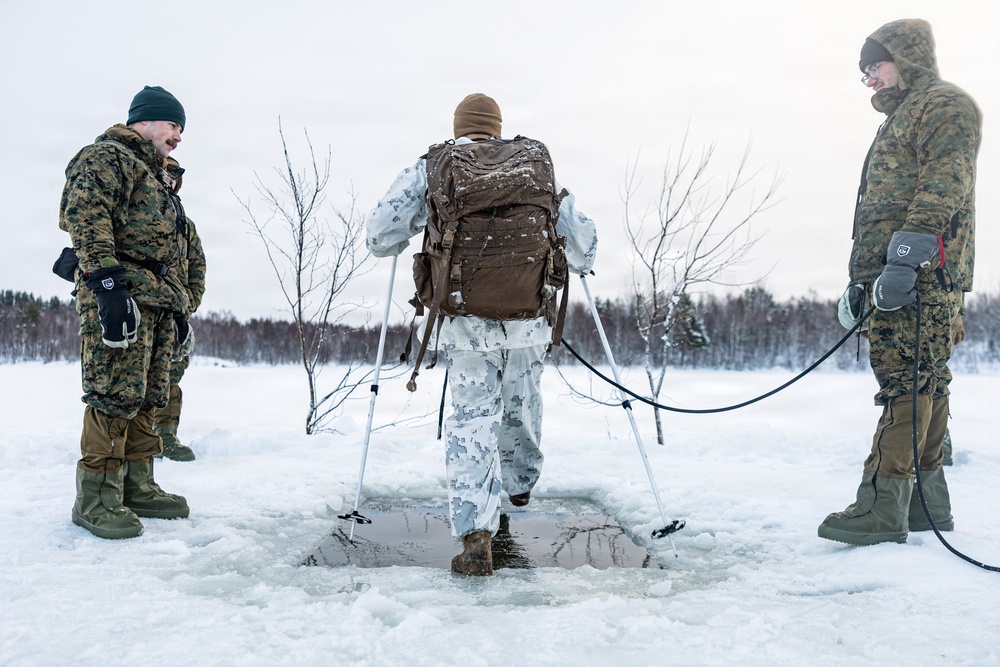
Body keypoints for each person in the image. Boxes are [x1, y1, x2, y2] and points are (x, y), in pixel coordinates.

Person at [366, 93, 598, 575]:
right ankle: (519, 484)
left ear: (458, 127)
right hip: (529, 321)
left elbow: (378, 235)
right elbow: (585, 245)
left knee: (472, 421)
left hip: (465, 321)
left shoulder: (432, 167)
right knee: (522, 404)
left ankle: (476, 537)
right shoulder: (533, 165)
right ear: (497, 127)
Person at [819, 20, 981, 546]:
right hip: (899, 275)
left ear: (904, 57)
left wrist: (904, 260)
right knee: (924, 381)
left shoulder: (942, 104)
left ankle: (882, 506)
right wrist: (861, 279)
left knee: (905, 383)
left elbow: (945, 181)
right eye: (863, 72)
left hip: (918, 275)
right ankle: (925, 504)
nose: (868, 79)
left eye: (874, 66)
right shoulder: (904, 116)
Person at [60, 85, 194, 539]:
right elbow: (86, 218)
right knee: (113, 393)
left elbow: (172, 251)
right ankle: (95, 498)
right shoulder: (107, 157)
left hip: (156, 301)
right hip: (121, 295)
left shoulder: (155, 176)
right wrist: (108, 287)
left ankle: (137, 485)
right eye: (173, 125)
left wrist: (178, 306)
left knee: (149, 395)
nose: (178, 137)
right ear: (147, 119)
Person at [152, 157, 207, 462]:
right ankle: (135, 444)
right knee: (135, 378)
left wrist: (189, 302)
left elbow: (197, 265)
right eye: (165, 174)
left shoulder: (184, 223)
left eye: (174, 176)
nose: (170, 180)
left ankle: (165, 437)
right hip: (145, 305)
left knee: (171, 375)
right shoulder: (141, 212)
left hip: (176, 312)